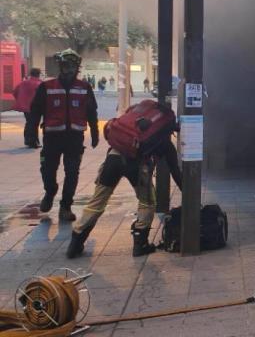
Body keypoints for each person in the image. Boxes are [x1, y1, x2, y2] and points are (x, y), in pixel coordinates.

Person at [67, 130, 182, 258]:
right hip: (137, 166)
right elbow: (175, 171)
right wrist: (188, 194)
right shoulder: (164, 141)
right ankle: (140, 244)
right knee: (148, 203)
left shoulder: (133, 124)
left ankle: (75, 242)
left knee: (96, 203)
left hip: (112, 159)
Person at [25, 50, 99, 222]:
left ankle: (66, 206)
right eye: (66, 65)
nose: (70, 69)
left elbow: (91, 111)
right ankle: (50, 191)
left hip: (74, 138)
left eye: (73, 66)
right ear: (61, 66)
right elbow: (35, 111)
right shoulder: (47, 87)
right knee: (48, 171)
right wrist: (31, 131)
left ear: (77, 68)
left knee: (72, 173)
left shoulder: (84, 87)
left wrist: (95, 132)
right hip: (52, 137)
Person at [12, 68, 43, 149]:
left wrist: (21, 100)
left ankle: (28, 140)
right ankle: (33, 142)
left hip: (26, 107)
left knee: (29, 122)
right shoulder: (40, 83)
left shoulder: (23, 83)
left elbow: (15, 92)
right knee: (34, 124)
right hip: (35, 107)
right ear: (38, 74)